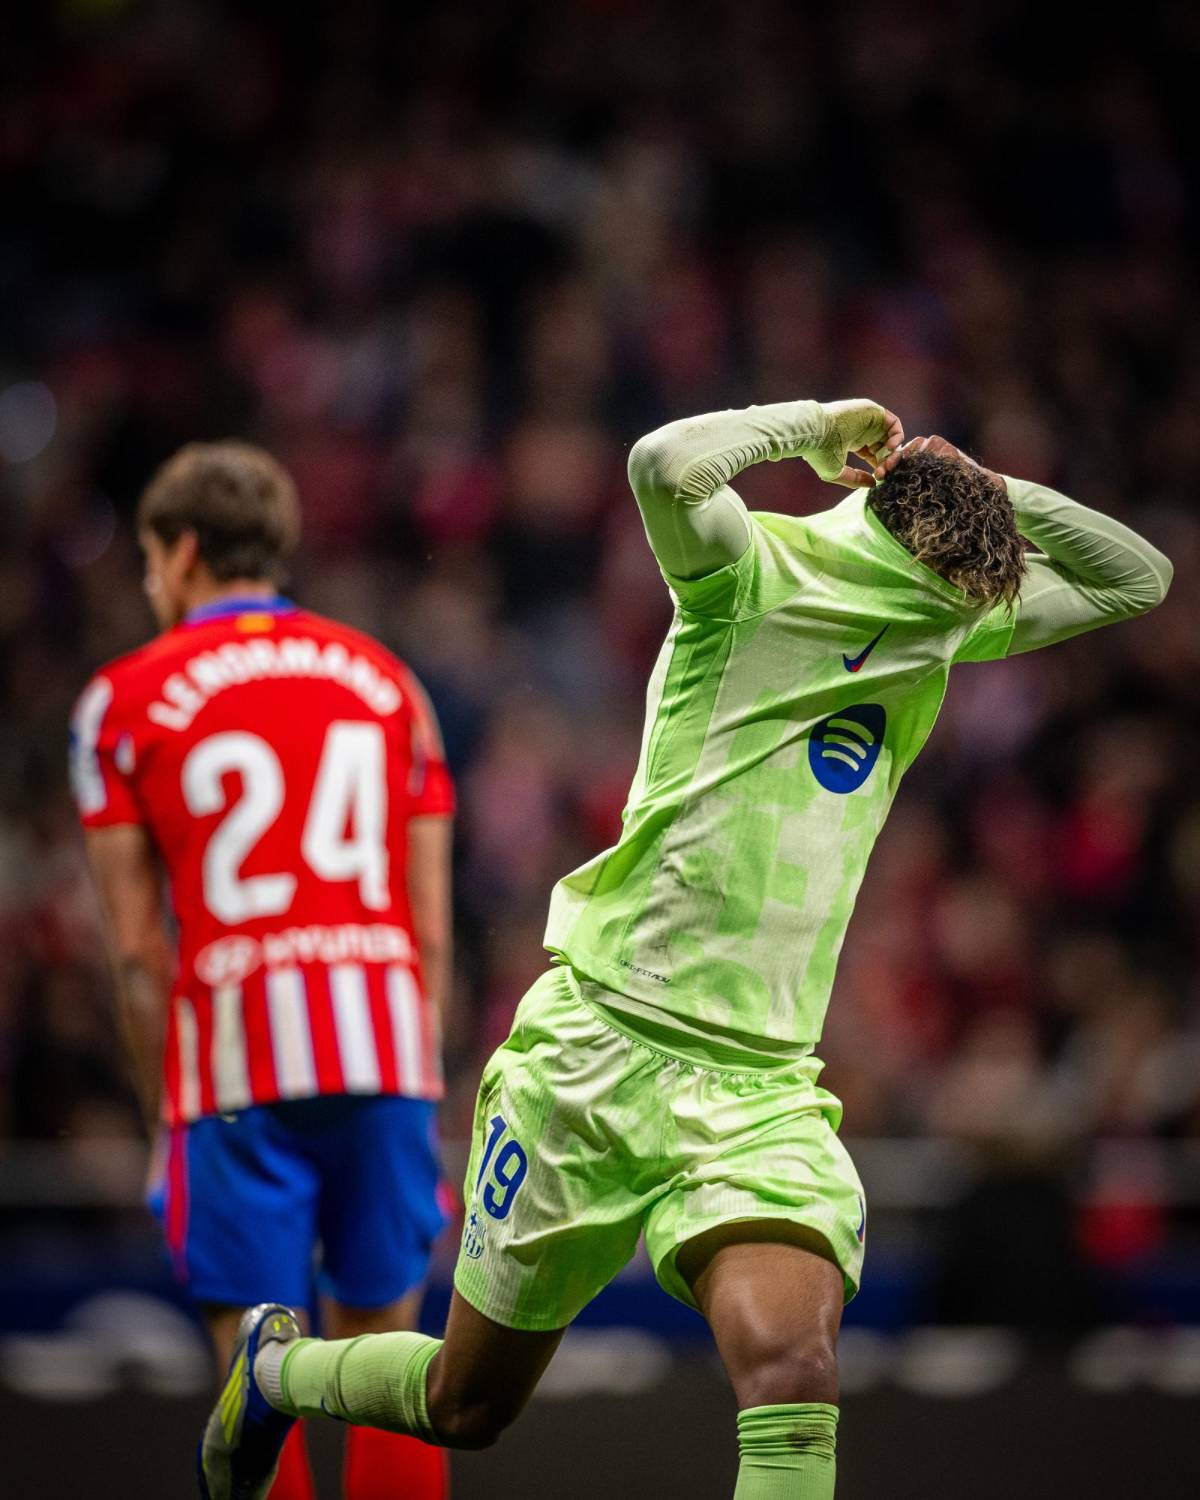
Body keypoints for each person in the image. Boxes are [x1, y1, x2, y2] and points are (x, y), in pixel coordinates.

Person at [198, 399, 1173, 1500]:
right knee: (466, 1404)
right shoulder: (752, 574)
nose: (968, 625)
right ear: (890, 536)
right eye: (952, 592)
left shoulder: (948, 606)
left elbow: (1138, 577)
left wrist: (984, 487)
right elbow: (662, 462)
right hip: (595, 1050)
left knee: (795, 1370)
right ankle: (279, 1371)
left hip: (757, 1086)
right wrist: (813, 428)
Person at [71, 442, 455, 1500]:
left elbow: (138, 950)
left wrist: (165, 1105)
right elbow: (430, 929)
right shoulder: (388, 681)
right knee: (390, 1365)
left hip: (232, 1073)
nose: (153, 584)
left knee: (255, 1376)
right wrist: (419, 1078)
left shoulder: (120, 702)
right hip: (382, 1050)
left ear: (184, 551)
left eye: (152, 562)